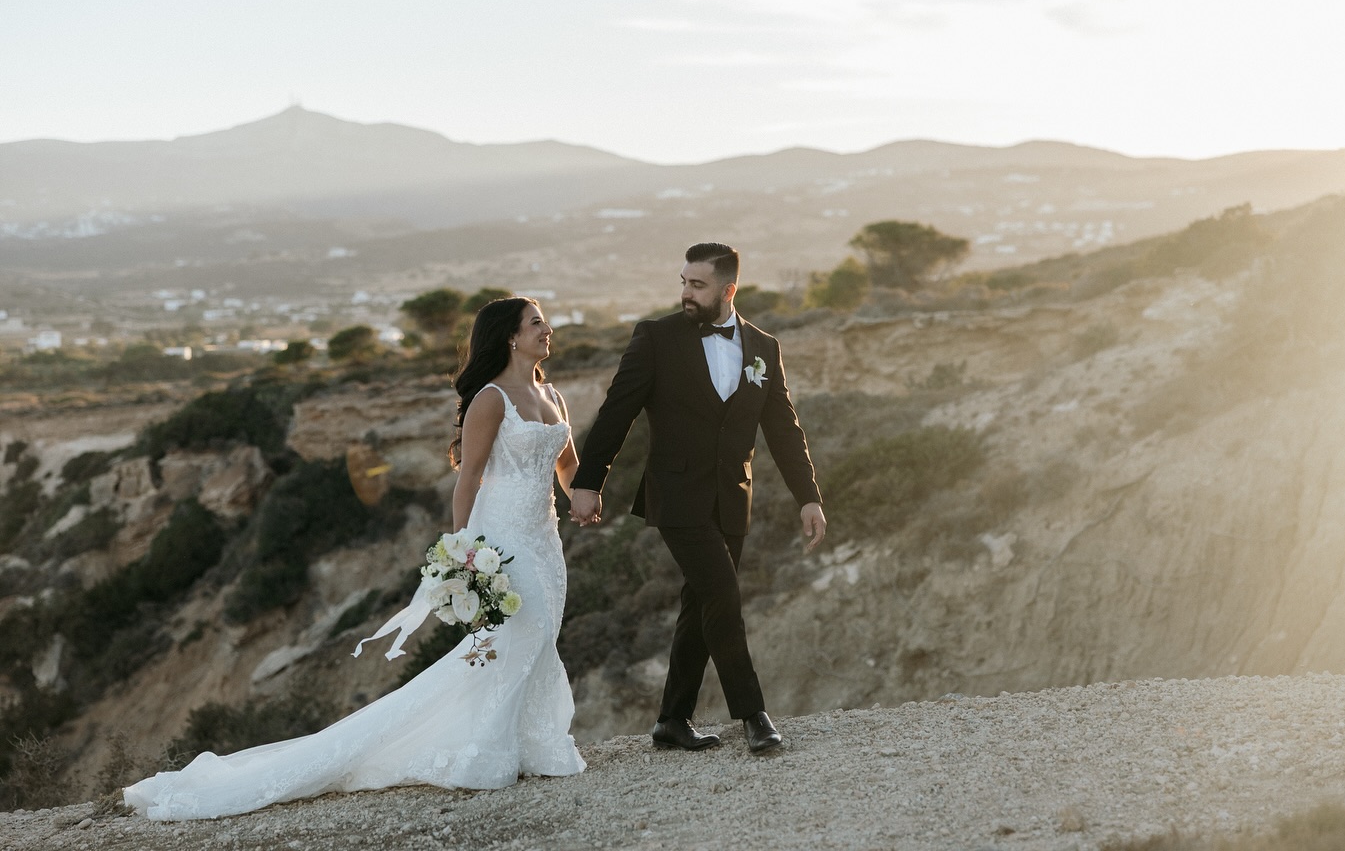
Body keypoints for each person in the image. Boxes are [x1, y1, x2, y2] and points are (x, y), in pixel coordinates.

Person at [125, 297, 587, 820]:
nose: (547, 330)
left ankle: (530, 744)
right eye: (536, 323)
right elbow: (470, 477)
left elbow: (567, 463)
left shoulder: (551, 394)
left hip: (545, 537)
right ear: (509, 336)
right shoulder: (491, 399)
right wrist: (466, 554)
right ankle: (485, 751)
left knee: (541, 633)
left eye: (543, 322)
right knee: (513, 637)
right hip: (503, 539)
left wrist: (584, 495)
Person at [569, 242, 826, 754]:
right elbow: (617, 411)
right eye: (683, 282)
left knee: (701, 604)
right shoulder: (656, 338)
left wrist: (808, 497)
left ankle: (672, 720)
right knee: (723, 596)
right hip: (677, 495)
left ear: (728, 290)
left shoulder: (763, 348)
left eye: (698, 284)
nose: (686, 292)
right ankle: (753, 714)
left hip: (733, 498)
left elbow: (784, 429)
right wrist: (587, 483)